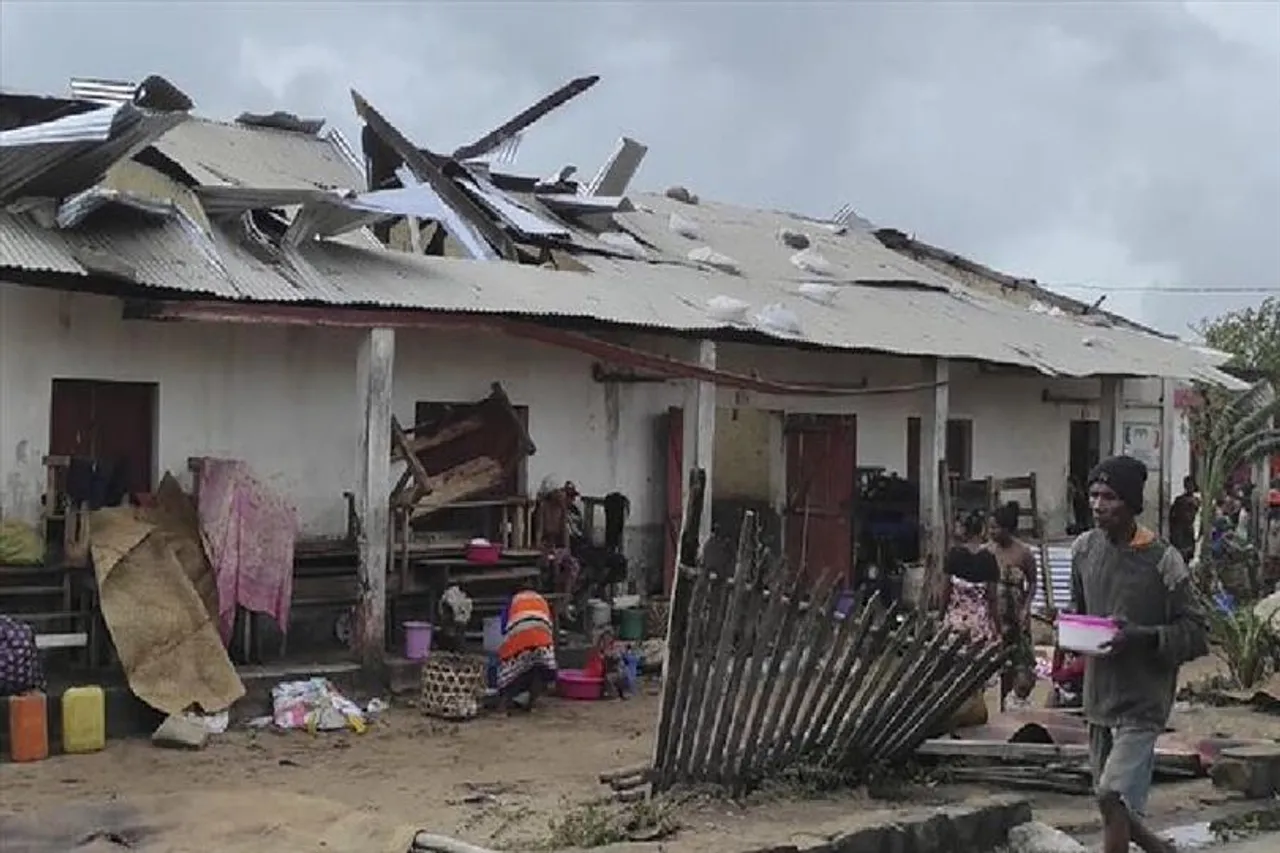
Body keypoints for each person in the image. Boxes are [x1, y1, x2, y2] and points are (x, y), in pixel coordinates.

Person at [1071, 455, 1208, 853]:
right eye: (1094, 495)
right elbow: (1082, 612)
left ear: (1131, 503)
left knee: (1110, 795)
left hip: (1144, 699)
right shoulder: (1083, 550)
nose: (1098, 505)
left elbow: (1196, 632)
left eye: (1109, 496)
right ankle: (1157, 848)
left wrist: (1142, 637)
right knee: (1110, 801)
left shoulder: (1164, 561)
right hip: (1099, 696)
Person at [987, 501, 1038, 707]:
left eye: (995, 527)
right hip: (995, 615)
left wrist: (1026, 608)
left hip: (1015, 616)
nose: (991, 531)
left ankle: (1013, 705)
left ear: (1008, 529)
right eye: (990, 527)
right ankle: (1001, 704)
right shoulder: (988, 551)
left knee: (1020, 664)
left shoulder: (1024, 553)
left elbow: (1033, 582)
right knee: (1000, 663)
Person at [496, 587, 558, 712]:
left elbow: (504, 628)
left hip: (521, 638)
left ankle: (503, 705)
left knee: (509, 670)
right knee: (539, 669)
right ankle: (532, 704)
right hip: (543, 640)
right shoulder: (541, 600)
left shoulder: (512, 601)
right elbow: (551, 625)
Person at [1168, 476, 1199, 563]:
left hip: (1188, 531)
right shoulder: (1179, 501)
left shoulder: (1196, 501)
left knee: (1187, 556)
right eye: (1188, 485)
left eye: (1191, 485)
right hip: (1180, 531)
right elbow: (1172, 517)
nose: (1190, 487)